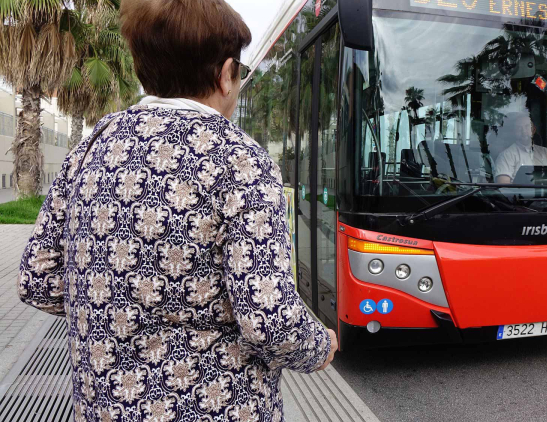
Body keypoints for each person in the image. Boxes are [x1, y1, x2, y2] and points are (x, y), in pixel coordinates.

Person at [16, 1, 336, 420]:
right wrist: (320, 344)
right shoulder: (241, 160)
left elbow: (37, 279)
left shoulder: (91, 148)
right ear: (225, 74)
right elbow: (268, 321)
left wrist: (116, 308)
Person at [494, 112, 547, 184]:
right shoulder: (506, 155)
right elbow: (503, 186)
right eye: (519, 128)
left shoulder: (545, 152)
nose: (523, 131)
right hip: (521, 195)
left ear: (533, 130)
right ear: (514, 132)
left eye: (527, 126)